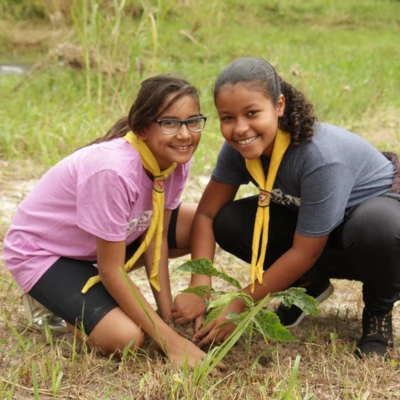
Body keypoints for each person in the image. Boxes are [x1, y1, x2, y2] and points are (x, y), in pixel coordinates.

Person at [171, 57, 400, 359]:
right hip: (318, 230)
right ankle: (307, 286)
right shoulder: (238, 148)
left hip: (373, 232)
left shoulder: (318, 157)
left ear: (279, 106)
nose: (240, 128)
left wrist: (239, 304)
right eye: (227, 118)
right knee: (229, 222)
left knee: (377, 227)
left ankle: (378, 313)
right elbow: (207, 213)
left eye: (252, 113)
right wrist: (199, 286)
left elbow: (306, 251)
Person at [3, 74, 221, 370]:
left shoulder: (175, 158)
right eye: (170, 123)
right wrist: (171, 342)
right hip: (45, 254)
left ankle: (88, 298)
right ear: (142, 128)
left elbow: (157, 238)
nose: (185, 134)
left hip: (100, 246)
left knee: (198, 222)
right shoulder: (113, 171)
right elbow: (111, 270)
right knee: (128, 339)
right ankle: (55, 304)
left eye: (193, 121)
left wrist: (166, 311)